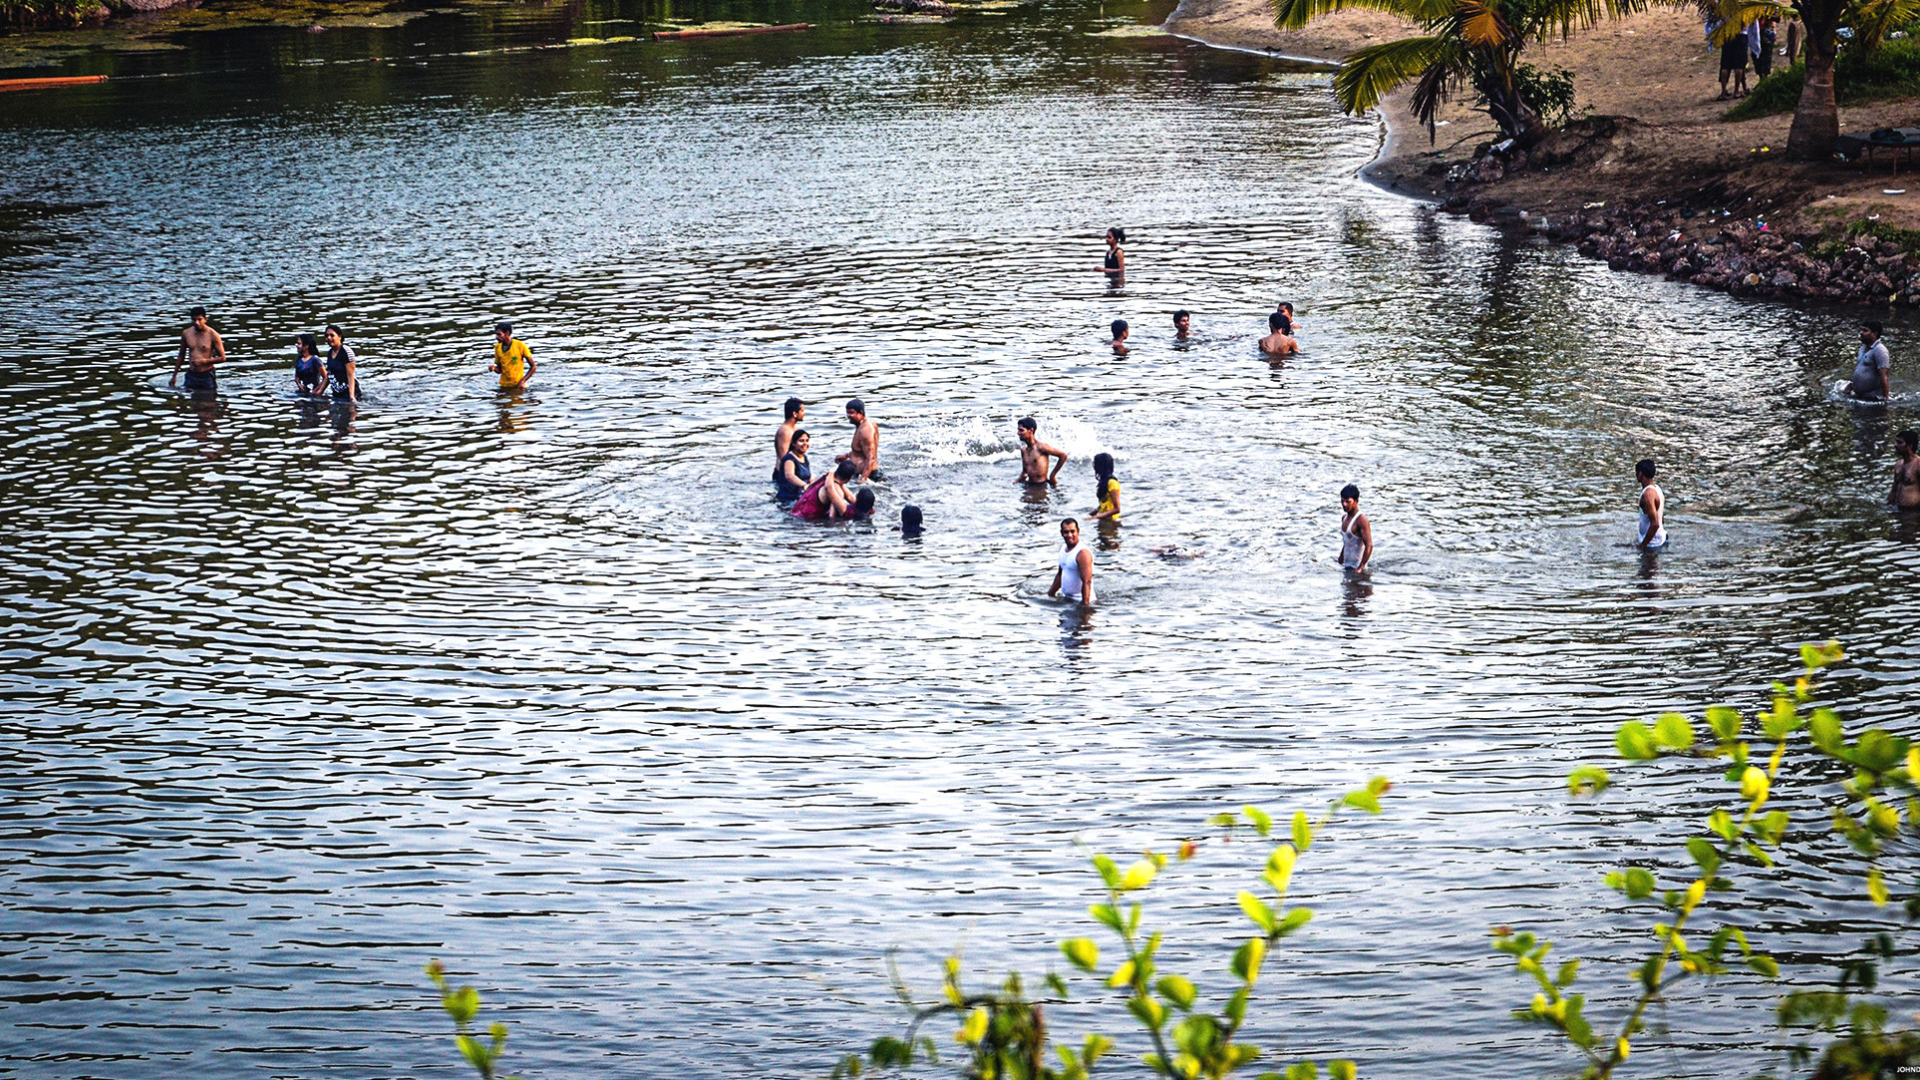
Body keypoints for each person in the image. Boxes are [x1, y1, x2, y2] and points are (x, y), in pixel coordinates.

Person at [171, 306, 226, 392]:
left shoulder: (213, 335)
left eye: (199, 319)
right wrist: (174, 376)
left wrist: (204, 361)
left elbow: (222, 358)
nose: (197, 322)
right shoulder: (186, 333)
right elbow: (181, 356)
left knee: (209, 402)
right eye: (194, 320)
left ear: (205, 319)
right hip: (191, 375)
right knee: (192, 403)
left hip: (206, 376)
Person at [1048, 517, 1094, 606]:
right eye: (1066, 532)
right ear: (1061, 533)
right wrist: (1050, 594)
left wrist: (1085, 607)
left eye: (1072, 531)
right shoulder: (1063, 549)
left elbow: (1087, 582)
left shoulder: (1082, 553)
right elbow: (1060, 574)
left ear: (1078, 531)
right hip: (1067, 599)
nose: (1069, 535)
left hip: (1079, 601)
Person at [836, 398, 880, 482]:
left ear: (861, 413)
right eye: (847, 412)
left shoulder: (866, 431)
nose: (848, 415)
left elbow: (870, 458)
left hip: (868, 476)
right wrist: (847, 455)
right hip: (861, 473)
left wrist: (863, 479)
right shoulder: (862, 425)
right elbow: (861, 450)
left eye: (851, 413)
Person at [1016, 417, 1068, 485]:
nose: (1018, 433)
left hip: (1041, 485)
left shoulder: (1041, 447)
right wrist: (1016, 482)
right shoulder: (1024, 450)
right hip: (1029, 484)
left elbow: (1063, 455)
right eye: (1018, 430)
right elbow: (1025, 471)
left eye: (1021, 430)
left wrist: (1052, 476)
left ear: (1031, 430)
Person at [1852, 321, 1892, 401]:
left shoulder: (1880, 350)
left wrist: (1886, 399)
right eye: (1861, 330)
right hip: (1859, 396)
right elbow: (1859, 369)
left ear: (1874, 334)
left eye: (1865, 330)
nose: (1861, 333)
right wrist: (1850, 386)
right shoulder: (1863, 348)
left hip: (1872, 398)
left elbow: (1883, 376)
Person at [491, 321, 536, 391]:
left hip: (518, 386)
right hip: (504, 386)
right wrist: (493, 368)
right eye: (496, 335)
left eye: (499, 334)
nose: (497, 337)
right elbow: (500, 370)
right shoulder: (497, 347)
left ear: (507, 333)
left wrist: (523, 381)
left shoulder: (520, 345)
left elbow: (533, 366)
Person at [1338, 483, 1372, 573]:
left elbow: (1369, 545)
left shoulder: (1361, 520)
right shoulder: (1344, 518)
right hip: (1346, 565)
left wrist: (1361, 567)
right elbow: (1347, 542)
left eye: (1348, 502)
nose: (1344, 504)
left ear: (1356, 501)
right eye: (1342, 501)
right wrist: (1340, 559)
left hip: (1357, 568)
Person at [1635, 459, 1667, 551]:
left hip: (1652, 545)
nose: (1636, 475)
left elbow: (1655, 524)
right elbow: (1661, 519)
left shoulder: (1648, 495)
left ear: (1641, 474)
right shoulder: (1657, 488)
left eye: (1637, 472)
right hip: (1660, 539)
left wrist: (1642, 547)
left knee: (1649, 566)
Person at [324, 324, 361, 402]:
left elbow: (350, 376)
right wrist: (318, 391)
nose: (329, 338)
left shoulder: (346, 352)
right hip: (337, 393)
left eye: (332, 335)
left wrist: (352, 397)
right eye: (327, 336)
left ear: (339, 336)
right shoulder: (330, 353)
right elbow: (329, 375)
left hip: (348, 393)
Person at [1716, 18, 1750, 100]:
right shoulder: (1743, 6)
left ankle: (1723, 92)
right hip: (1741, 34)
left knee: (1725, 65)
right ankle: (1736, 91)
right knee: (1739, 65)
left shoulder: (1724, 5)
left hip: (1727, 34)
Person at [775, 430, 812, 502]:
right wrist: (804, 485)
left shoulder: (804, 457)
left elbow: (809, 477)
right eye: (801, 441)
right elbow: (789, 475)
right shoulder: (789, 459)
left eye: (807, 441)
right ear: (793, 443)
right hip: (789, 498)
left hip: (802, 494)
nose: (805, 443)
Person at [1891, 429, 1920, 510]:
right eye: (1896, 442)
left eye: (1900, 442)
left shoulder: (1918, 464)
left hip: (1914, 513)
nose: (1895, 445)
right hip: (1899, 510)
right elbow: (1894, 490)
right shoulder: (1898, 465)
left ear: (1910, 446)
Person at [775, 397, 805, 469]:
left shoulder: (795, 429)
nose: (804, 413)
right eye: (802, 411)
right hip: (784, 473)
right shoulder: (785, 432)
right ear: (795, 413)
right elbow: (784, 457)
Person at [1091, 452, 1121, 524]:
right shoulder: (1104, 482)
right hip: (1103, 518)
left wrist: (1097, 517)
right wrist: (1094, 512)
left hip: (1111, 521)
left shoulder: (1112, 483)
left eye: (1096, 464)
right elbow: (1105, 502)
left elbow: (1117, 509)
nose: (1094, 466)